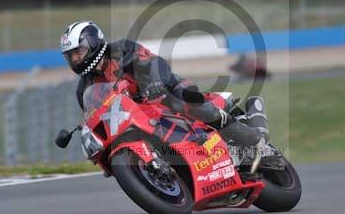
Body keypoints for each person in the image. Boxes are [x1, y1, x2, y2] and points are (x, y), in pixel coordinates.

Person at [60, 21, 274, 172]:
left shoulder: (122, 49)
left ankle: (250, 137)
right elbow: (93, 115)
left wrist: (154, 82)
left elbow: (154, 61)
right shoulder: (84, 88)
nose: (76, 59)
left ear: (93, 43)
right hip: (137, 116)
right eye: (71, 57)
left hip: (166, 90)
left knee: (187, 103)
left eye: (78, 52)